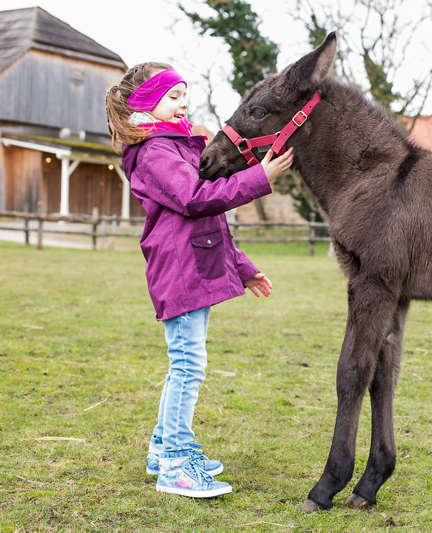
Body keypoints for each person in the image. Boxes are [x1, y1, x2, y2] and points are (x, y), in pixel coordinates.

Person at [105, 62, 293, 498]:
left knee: (186, 366)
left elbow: (210, 222)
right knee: (188, 367)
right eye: (173, 95)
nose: (183, 101)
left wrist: (243, 268)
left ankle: (165, 449)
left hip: (195, 264)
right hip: (181, 271)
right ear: (146, 103)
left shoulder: (175, 144)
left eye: (184, 93)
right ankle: (174, 465)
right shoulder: (156, 152)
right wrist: (259, 177)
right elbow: (196, 199)